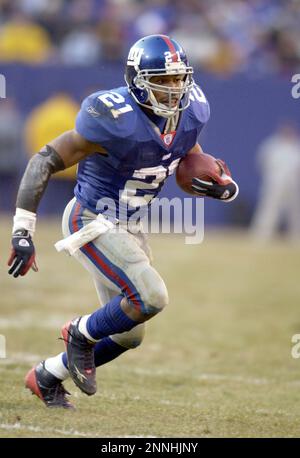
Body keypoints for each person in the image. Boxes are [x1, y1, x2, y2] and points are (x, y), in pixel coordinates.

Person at [7, 34, 239, 409]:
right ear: (137, 81)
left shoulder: (192, 110)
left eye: (178, 78)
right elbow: (44, 161)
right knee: (152, 296)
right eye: (162, 81)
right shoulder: (112, 117)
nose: (173, 89)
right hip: (91, 219)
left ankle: (48, 375)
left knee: (131, 334)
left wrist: (213, 180)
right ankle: (79, 332)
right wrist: (22, 230)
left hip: (129, 225)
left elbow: (187, 153)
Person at [251, 122, 300, 240]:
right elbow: (262, 161)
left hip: (293, 184)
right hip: (274, 183)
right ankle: (261, 235)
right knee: (269, 209)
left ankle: (296, 236)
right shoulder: (272, 145)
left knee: (295, 211)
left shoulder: (296, 147)